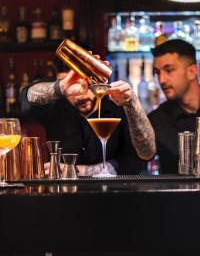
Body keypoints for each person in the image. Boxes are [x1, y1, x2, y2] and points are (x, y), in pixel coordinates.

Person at [20, 57, 156, 176]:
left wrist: (132, 103)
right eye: (72, 86)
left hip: (114, 197)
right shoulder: (55, 110)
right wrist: (61, 86)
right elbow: (25, 98)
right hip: (65, 199)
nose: (81, 94)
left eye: (84, 83)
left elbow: (146, 154)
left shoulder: (118, 108)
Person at [149, 39, 200, 174]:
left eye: (169, 70)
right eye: (157, 73)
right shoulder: (156, 120)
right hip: (174, 194)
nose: (161, 80)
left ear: (192, 71)